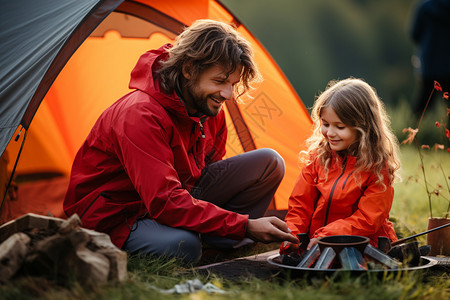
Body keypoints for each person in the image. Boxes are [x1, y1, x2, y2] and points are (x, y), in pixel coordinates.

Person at [63, 19, 298, 264]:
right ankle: (197, 238)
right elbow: (164, 201)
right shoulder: (140, 115)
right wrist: (244, 225)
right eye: (219, 81)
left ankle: (220, 242)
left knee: (270, 162)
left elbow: (207, 172)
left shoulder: (208, 107)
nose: (227, 94)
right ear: (189, 70)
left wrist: (233, 223)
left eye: (232, 84)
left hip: (177, 195)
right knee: (184, 246)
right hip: (118, 214)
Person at [280, 78, 401, 254]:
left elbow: (368, 219)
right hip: (317, 243)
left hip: (363, 245)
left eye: (340, 127)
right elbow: (300, 205)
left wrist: (327, 236)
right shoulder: (318, 158)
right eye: (325, 124)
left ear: (363, 127)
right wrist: (292, 236)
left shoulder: (377, 167)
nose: (330, 133)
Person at [410, 0, 450, 117]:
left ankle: (413, 132)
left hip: (429, 66)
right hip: (448, 67)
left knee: (422, 108)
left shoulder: (425, 7)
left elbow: (415, 34)